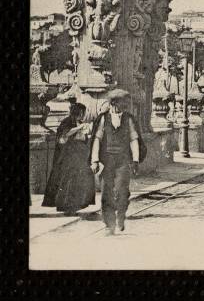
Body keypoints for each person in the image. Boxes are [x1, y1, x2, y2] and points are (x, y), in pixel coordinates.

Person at [90, 89, 141, 236]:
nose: (122, 106)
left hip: (123, 161)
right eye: (119, 103)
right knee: (106, 192)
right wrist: (94, 160)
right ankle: (109, 225)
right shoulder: (103, 119)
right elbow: (97, 140)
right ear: (113, 103)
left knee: (121, 191)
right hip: (107, 161)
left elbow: (134, 140)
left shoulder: (129, 119)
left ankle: (121, 216)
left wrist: (136, 160)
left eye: (124, 103)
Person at [43, 100, 95, 215]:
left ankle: (77, 204)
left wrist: (86, 133)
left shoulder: (79, 122)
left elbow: (82, 137)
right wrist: (80, 128)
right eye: (82, 112)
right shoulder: (67, 121)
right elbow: (65, 134)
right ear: (78, 112)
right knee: (67, 180)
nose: (84, 114)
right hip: (68, 156)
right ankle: (65, 205)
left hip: (78, 156)